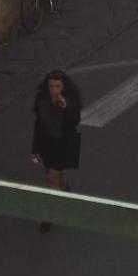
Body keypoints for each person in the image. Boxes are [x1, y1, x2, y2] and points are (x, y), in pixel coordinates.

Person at [31, 70, 82, 232]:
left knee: (52, 176)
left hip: (63, 144)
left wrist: (65, 108)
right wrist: (35, 149)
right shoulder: (42, 101)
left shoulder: (70, 101)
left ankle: (50, 214)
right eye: (51, 86)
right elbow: (38, 125)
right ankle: (66, 190)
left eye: (58, 86)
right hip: (48, 144)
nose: (54, 89)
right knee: (57, 172)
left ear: (63, 86)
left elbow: (74, 122)